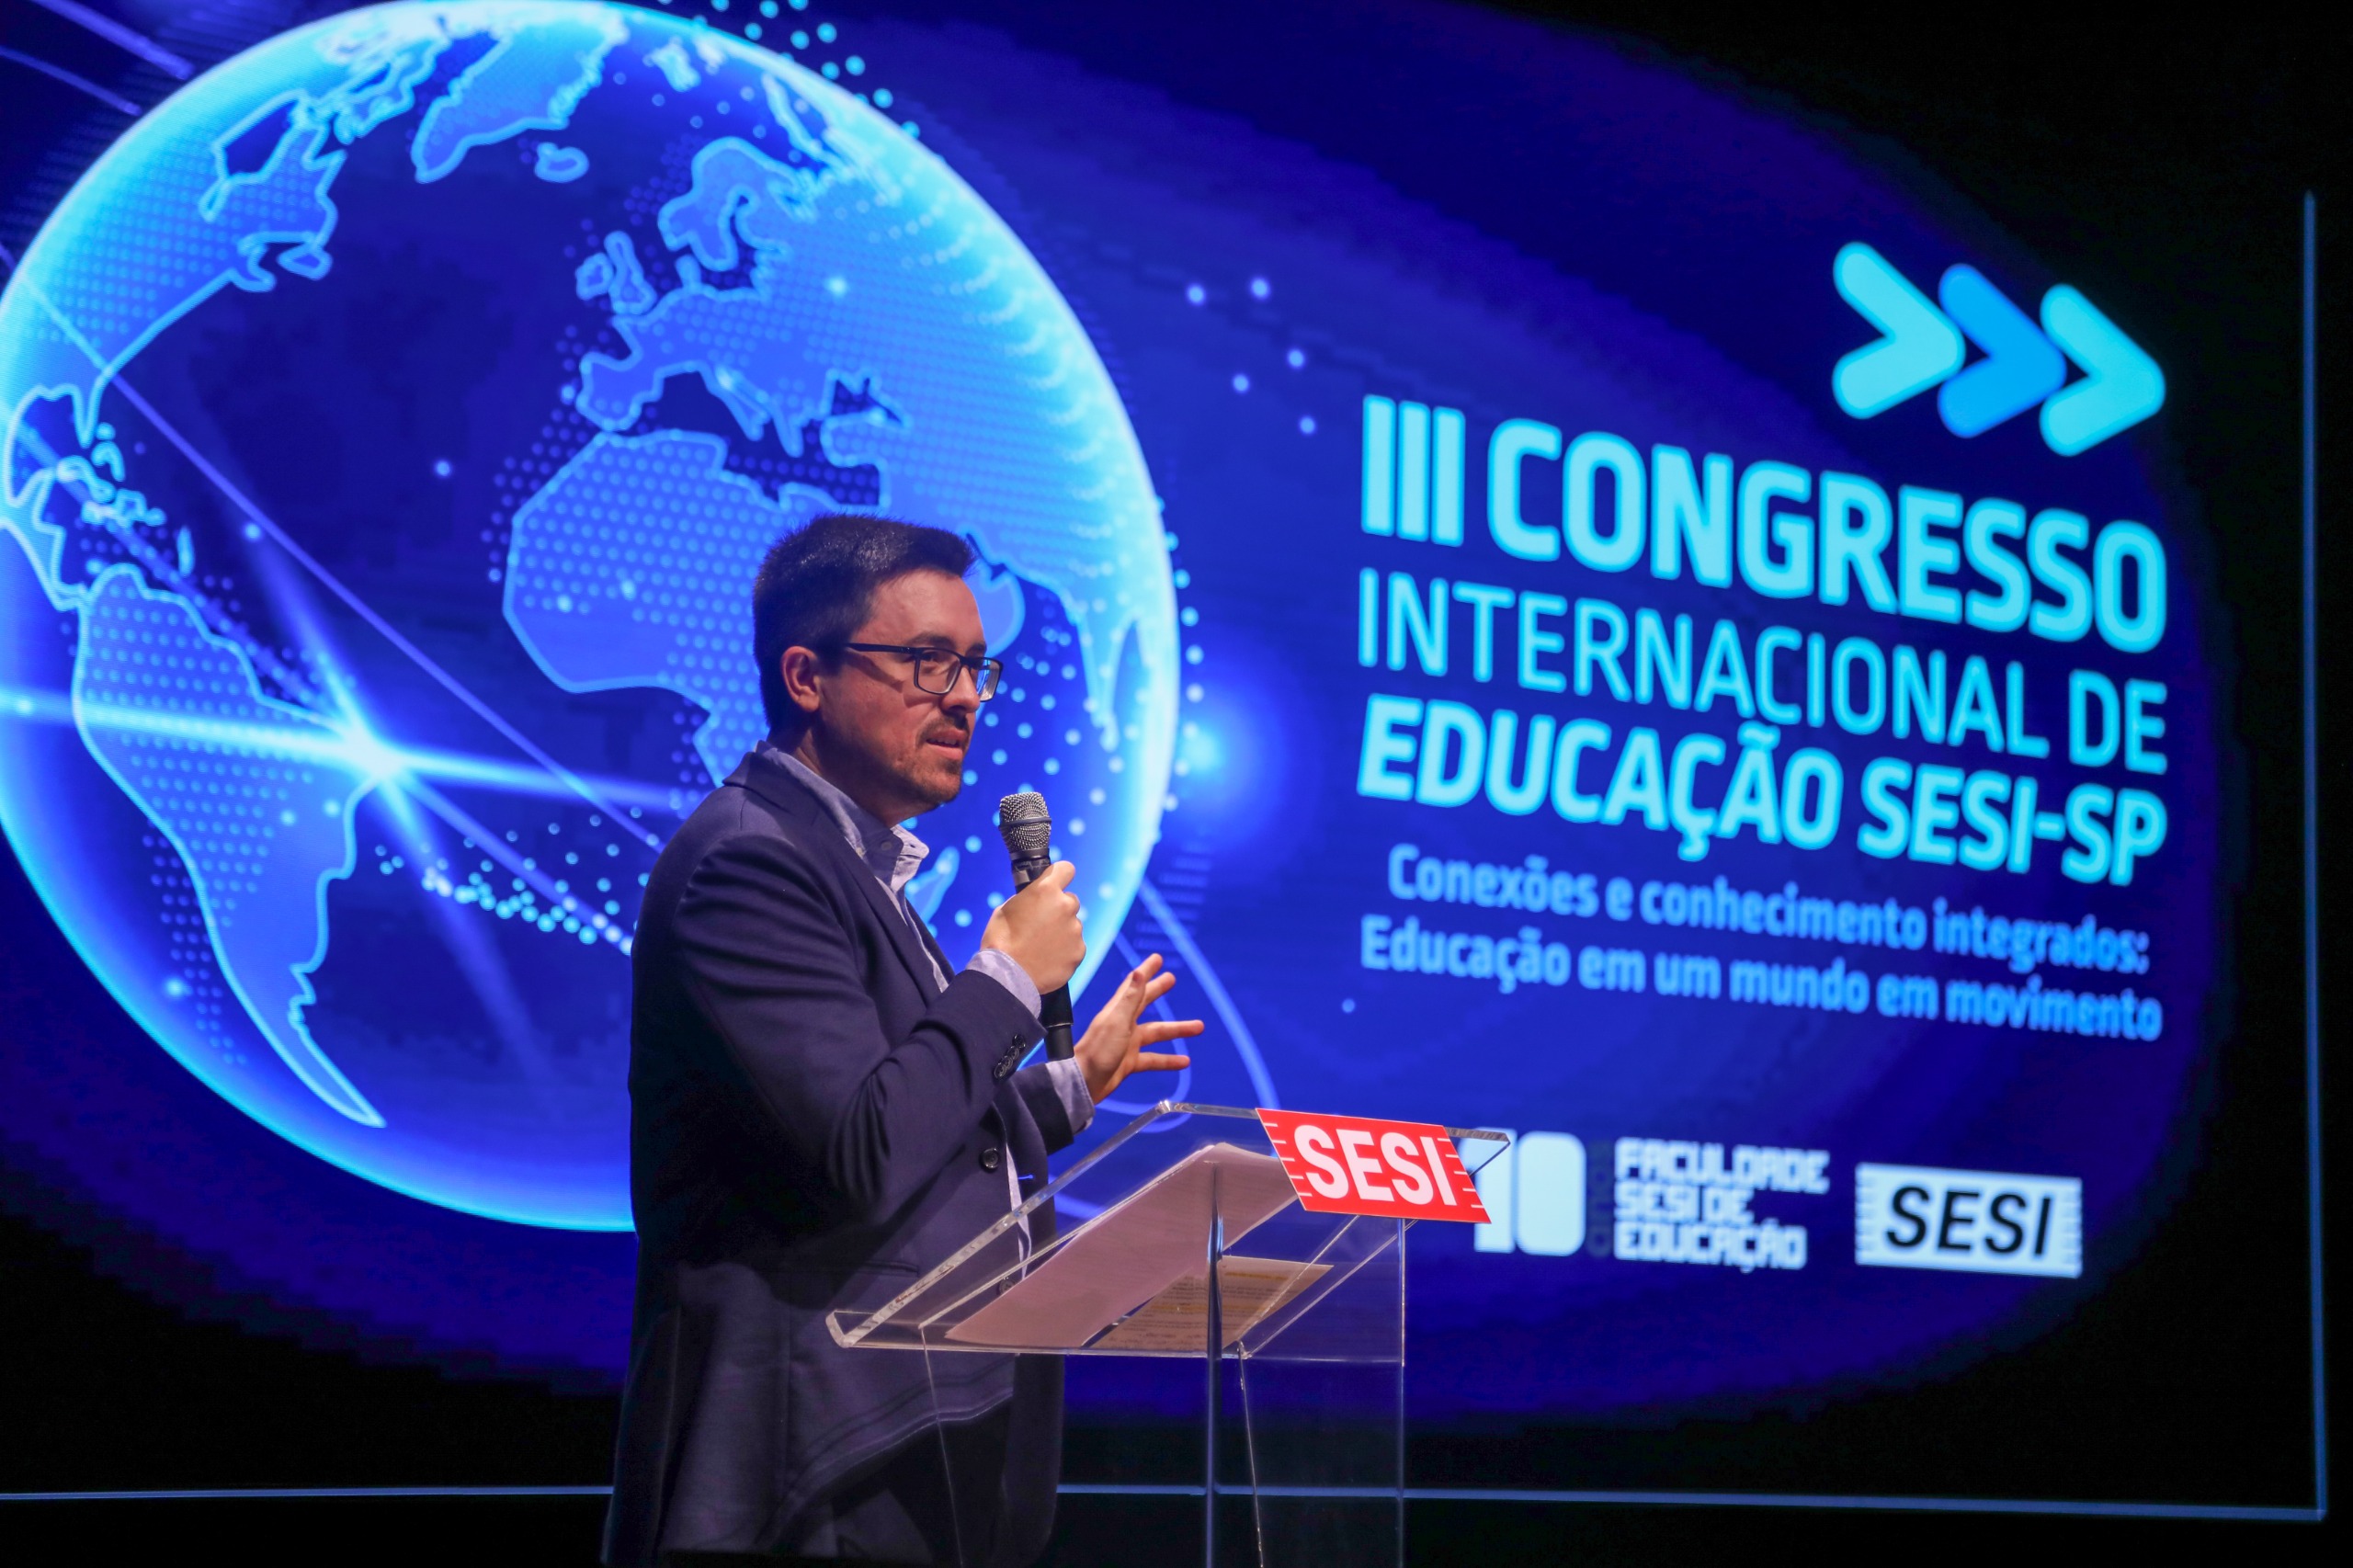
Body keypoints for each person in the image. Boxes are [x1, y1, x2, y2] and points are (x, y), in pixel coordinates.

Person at [603, 515, 1200, 1566]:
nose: (965, 697)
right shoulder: (749, 866)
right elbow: (863, 1146)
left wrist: (1067, 1089)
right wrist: (1008, 973)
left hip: (912, 1447)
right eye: (928, 663)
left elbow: (909, 1111)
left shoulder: (851, 866)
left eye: (975, 666)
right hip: (805, 1474)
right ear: (806, 674)